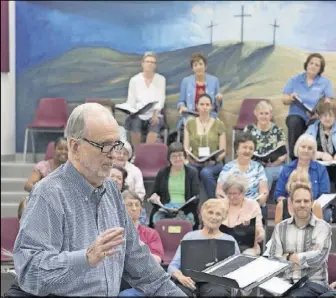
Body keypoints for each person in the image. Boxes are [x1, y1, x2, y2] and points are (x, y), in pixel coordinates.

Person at [10, 103, 185, 296]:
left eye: (116, 145)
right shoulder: (48, 194)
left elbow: (143, 267)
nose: (113, 155)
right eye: (104, 146)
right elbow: (29, 272)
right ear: (75, 147)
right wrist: (85, 258)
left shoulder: (111, 191)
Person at [268, 183, 332, 297]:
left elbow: (318, 258)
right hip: (285, 281)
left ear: (312, 203)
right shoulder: (280, 227)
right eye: (298, 201)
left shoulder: (323, 227)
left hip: (314, 283)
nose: (302, 205)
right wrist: (297, 258)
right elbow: (274, 260)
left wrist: (288, 257)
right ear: (291, 203)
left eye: (306, 201)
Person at [168, 199, 239, 297]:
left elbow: (238, 270)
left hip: (217, 284)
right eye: (210, 212)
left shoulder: (230, 240)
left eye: (218, 214)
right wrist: (180, 277)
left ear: (223, 218)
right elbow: (173, 266)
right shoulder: (189, 237)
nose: (214, 217)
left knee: (215, 293)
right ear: (202, 214)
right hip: (189, 281)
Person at [281, 53, 334, 160]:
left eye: (317, 65)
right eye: (311, 63)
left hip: (315, 116)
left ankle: (315, 158)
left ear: (320, 69)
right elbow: (284, 99)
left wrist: (319, 114)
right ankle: (294, 158)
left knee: (319, 124)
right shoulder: (294, 80)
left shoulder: (325, 82)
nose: (313, 66)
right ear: (307, 64)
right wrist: (291, 97)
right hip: (297, 114)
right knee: (294, 122)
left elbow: (328, 102)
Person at [274, 134, 332, 222]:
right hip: (291, 207)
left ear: (314, 152)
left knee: (327, 213)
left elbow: (324, 194)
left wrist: (308, 206)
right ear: (297, 148)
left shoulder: (321, 169)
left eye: (310, 148)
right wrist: (291, 205)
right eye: (303, 147)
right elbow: (279, 194)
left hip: (313, 207)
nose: (306, 150)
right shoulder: (287, 169)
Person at [216, 132, 269, 221]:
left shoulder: (258, 167)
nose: (247, 151)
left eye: (251, 148)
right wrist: (230, 205)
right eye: (244, 147)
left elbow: (264, 192)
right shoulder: (228, 167)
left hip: (253, 208)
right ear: (237, 149)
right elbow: (219, 192)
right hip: (231, 207)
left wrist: (252, 207)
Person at [148, 142, 200, 229]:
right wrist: (154, 197)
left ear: (184, 156)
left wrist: (183, 210)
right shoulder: (162, 172)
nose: (177, 158)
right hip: (166, 208)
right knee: (157, 219)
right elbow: (154, 193)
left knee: (188, 221)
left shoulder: (192, 173)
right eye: (174, 156)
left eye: (180, 155)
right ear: (169, 158)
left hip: (185, 209)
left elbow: (196, 196)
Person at [184, 93, 226, 198]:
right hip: (194, 161)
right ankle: (192, 204)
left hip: (213, 163)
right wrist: (191, 159)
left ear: (211, 106)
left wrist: (215, 160)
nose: (204, 107)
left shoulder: (219, 124)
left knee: (206, 173)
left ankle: (214, 202)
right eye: (201, 104)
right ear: (197, 106)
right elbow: (186, 148)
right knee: (190, 171)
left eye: (207, 104)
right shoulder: (190, 124)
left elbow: (223, 150)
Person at [124, 51, 166, 146]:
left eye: (152, 62)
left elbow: (161, 99)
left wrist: (155, 113)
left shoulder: (161, 79)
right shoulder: (134, 80)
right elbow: (131, 100)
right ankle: (136, 153)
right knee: (134, 123)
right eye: (148, 61)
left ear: (155, 65)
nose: (150, 64)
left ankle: (146, 153)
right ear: (142, 63)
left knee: (155, 124)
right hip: (138, 113)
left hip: (154, 113)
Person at [244, 100, 287, 190]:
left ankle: (262, 201)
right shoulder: (249, 129)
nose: (264, 116)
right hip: (253, 164)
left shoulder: (278, 130)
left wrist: (272, 164)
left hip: (275, 166)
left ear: (270, 115)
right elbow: (243, 150)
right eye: (261, 113)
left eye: (266, 113)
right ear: (256, 113)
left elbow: (283, 155)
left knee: (267, 172)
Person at [220, 174, 265, 256]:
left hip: (247, 247)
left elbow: (259, 228)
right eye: (229, 194)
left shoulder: (252, 205)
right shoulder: (220, 204)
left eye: (235, 194)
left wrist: (259, 234)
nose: (232, 197)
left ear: (243, 192)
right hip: (223, 246)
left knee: (248, 254)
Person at [177, 52, 223, 129]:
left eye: (201, 64)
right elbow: (181, 101)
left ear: (205, 67)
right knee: (193, 124)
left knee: (213, 126)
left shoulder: (214, 81)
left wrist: (219, 99)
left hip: (209, 115)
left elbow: (218, 107)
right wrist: (182, 107)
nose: (198, 67)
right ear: (192, 69)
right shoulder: (186, 81)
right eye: (195, 65)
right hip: (191, 115)